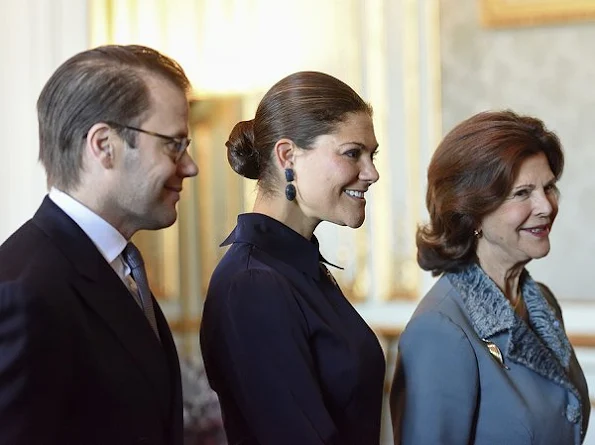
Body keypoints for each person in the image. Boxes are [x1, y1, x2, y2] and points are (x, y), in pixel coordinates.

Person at [0, 44, 199, 444]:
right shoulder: (25, 292)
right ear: (104, 145)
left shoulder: (118, 265)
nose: (190, 166)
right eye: (174, 145)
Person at [200, 71, 386, 445]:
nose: (372, 173)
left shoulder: (296, 268)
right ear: (287, 155)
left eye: (372, 155)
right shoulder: (252, 284)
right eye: (353, 154)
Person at [390, 110, 590, 444]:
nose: (546, 206)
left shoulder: (541, 302)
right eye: (522, 193)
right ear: (473, 211)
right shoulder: (439, 330)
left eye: (549, 187)